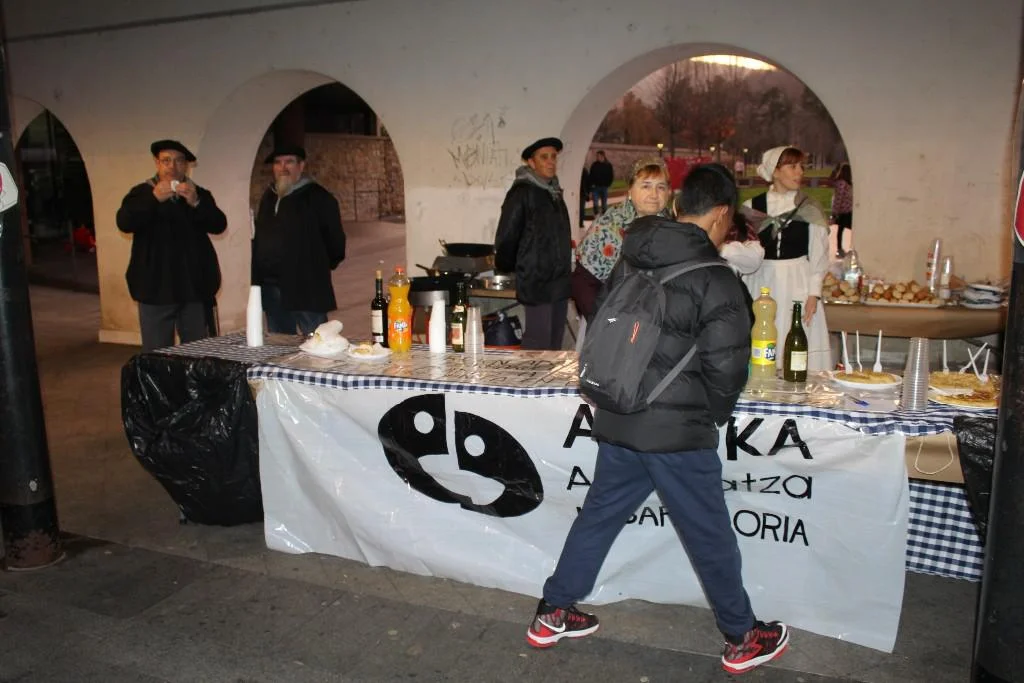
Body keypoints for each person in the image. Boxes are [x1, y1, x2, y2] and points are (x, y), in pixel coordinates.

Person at [527, 164, 790, 676]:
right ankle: (742, 637)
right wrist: (711, 417)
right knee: (709, 534)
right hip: (677, 433)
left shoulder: (633, 256)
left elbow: (606, 321)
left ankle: (552, 610)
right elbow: (727, 368)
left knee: (599, 516)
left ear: (677, 206)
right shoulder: (717, 278)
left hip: (619, 415)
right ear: (720, 214)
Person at [116, 139, 226, 352]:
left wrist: (196, 203)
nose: (172, 166)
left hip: (194, 289)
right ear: (157, 163)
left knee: (196, 353)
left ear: (186, 165)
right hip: (155, 289)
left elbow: (219, 225)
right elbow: (124, 222)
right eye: (166, 160)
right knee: (157, 355)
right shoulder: (141, 193)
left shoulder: (198, 193)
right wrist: (153, 199)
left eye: (178, 161)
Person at [740, 146, 831, 371]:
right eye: (792, 166)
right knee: (761, 335)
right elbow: (741, 249)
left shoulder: (809, 208)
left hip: (797, 281)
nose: (800, 172)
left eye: (801, 166)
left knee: (795, 338)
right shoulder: (751, 208)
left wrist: (813, 293)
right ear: (775, 171)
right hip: (760, 281)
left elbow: (818, 253)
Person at [252, 144, 346, 336]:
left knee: (317, 343)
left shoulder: (319, 198)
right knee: (279, 345)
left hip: (306, 288)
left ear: (301, 166)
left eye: (289, 162)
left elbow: (335, 243)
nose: (283, 167)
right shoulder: (269, 197)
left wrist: (316, 266)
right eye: (278, 162)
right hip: (272, 288)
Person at [571, 156, 673, 320]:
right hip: (611, 322)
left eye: (661, 187)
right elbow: (583, 282)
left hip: (658, 323)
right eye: (646, 186)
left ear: (668, 192)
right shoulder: (609, 226)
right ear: (630, 191)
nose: (654, 194)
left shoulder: (674, 229)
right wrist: (608, 322)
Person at [494, 137, 572, 350]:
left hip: (559, 281)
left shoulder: (554, 192)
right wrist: (511, 266)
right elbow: (507, 235)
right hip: (537, 280)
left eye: (553, 156)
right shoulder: (522, 192)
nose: (551, 161)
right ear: (531, 162)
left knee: (555, 345)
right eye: (544, 157)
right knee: (538, 346)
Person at [830, 162, 853, 258]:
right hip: (846, 210)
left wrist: (835, 211)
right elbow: (840, 198)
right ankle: (841, 249)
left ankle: (840, 249)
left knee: (840, 230)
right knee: (843, 229)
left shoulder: (843, 183)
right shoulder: (846, 183)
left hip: (844, 211)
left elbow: (838, 198)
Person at [588, 150, 614, 215]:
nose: (597, 157)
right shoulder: (594, 165)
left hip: (604, 187)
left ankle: (604, 216)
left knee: (604, 204)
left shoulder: (608, 165)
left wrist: (608, 184)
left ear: (602, 156)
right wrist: (591, 185)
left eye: (598, 156)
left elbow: (611, 176)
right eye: (596, 156)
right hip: (595, 187)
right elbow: (591, 176)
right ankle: (596, 215)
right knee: (595, 203)